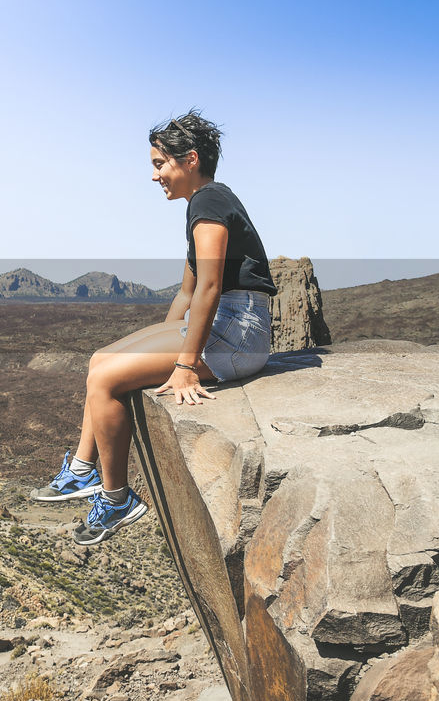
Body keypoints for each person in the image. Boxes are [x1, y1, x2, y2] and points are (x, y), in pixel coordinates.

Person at [30, 110, 278, 545]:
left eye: (159, 163)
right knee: (102, 360)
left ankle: (117, 498)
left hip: (238, 332)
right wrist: (157, 353)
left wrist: (182, 364)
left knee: (106, 378)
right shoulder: (204, 203)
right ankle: (83, 471)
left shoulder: (209, 202)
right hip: (226, 323)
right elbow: (186, 295)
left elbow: (211, 286)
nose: (154, 175)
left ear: (191, 160)